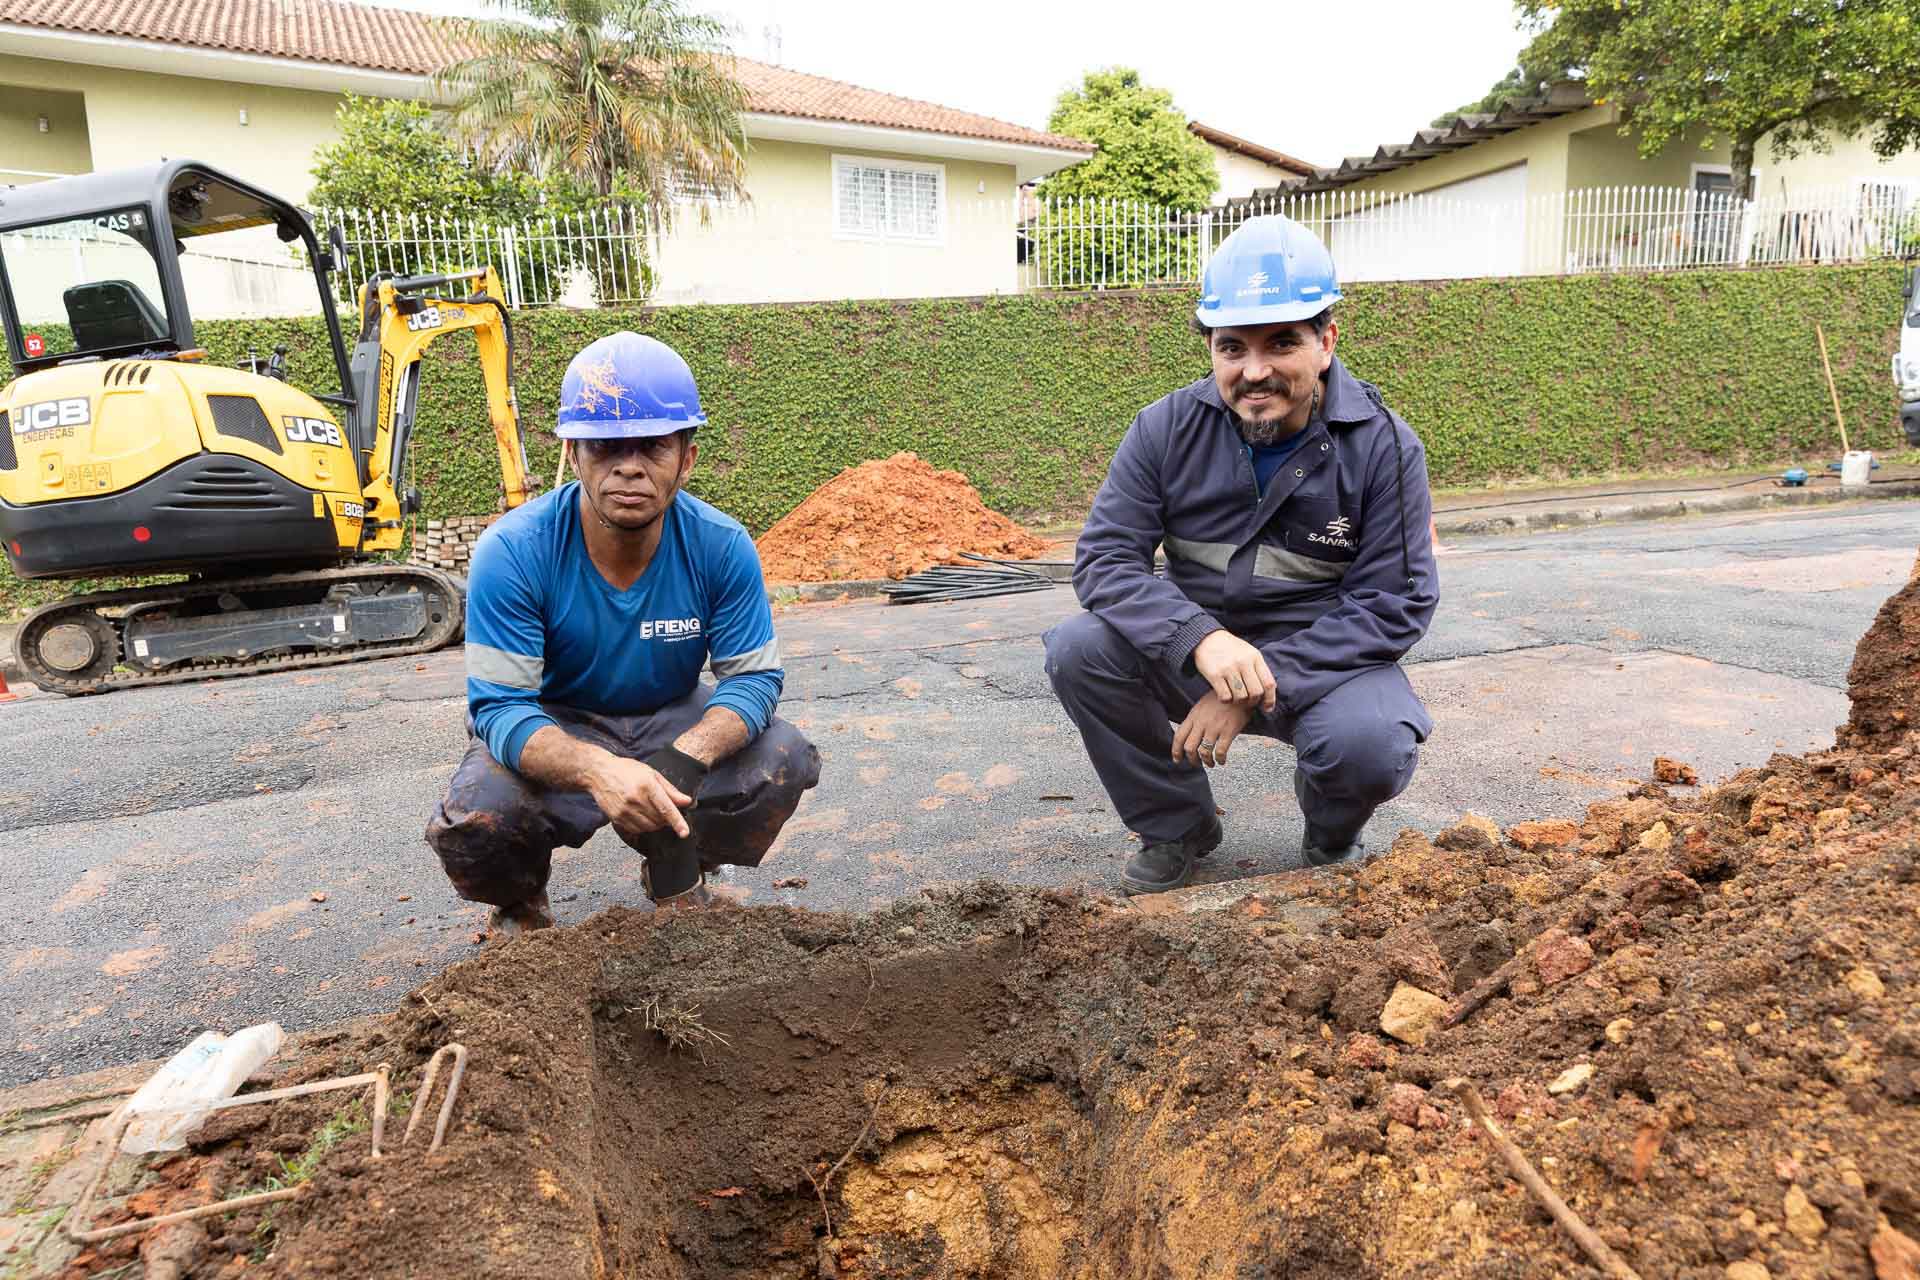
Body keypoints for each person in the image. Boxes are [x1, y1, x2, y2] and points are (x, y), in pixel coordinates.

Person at [1044, 214, 1438, 894]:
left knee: (1370, 743)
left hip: (1324, 665)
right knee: (1080, 650)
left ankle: (1331, 826)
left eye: (1281, 343)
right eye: (1232, 348)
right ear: (1212, 349)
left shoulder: (1385, 448)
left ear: (1326, 340)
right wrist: (1200, 641)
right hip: (1194, 653)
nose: (1255, 371)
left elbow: (1394, 605)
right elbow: (1106, 560)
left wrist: (1250, 688)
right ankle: (1178, 827)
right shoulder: (1164, 429)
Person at [426, 331, 820, 927]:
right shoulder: (513, 550)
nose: (628, 468)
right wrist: (598, 770)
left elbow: (754, 680)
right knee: (480, 817)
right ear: (573, 453)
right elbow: (500, 706)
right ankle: (521, 901)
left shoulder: (721, 545)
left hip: (672, 713)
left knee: (780, 757)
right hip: (559, 720)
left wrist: (688, 754)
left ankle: (679, 868)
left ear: (686, 458)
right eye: (606, 447)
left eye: (653, 448)